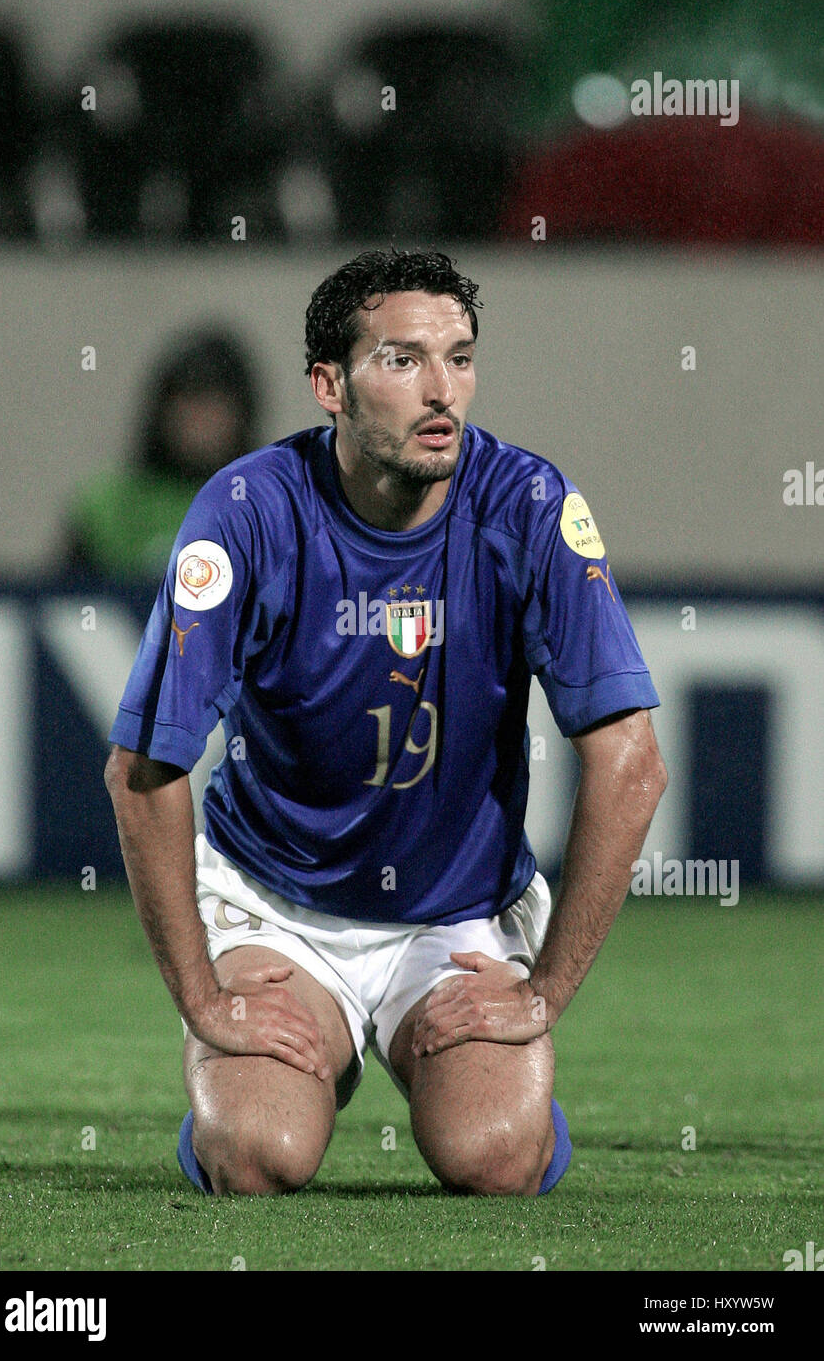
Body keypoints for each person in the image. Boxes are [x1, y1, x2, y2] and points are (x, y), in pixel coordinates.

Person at [104, 249, 667, 1197]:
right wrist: (201, 997)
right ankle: (273, 1081)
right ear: (329, 385)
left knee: (496, 1161)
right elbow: (143, 770)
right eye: (402, 361)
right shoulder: (246, 514)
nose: (442, 390)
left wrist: (543, 995)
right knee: (254, 1158)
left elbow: (631, 764)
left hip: (456, 913)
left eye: (460, 356)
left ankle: (488, 1100)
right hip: (275, 904)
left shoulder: (528, 506)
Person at [66, 325, 260, 580]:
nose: (201, 419)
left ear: (242, 416)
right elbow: (68, 600)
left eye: (215, 404)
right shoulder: (108, 510)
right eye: (190, 401)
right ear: (163, 410)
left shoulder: (271, 508)